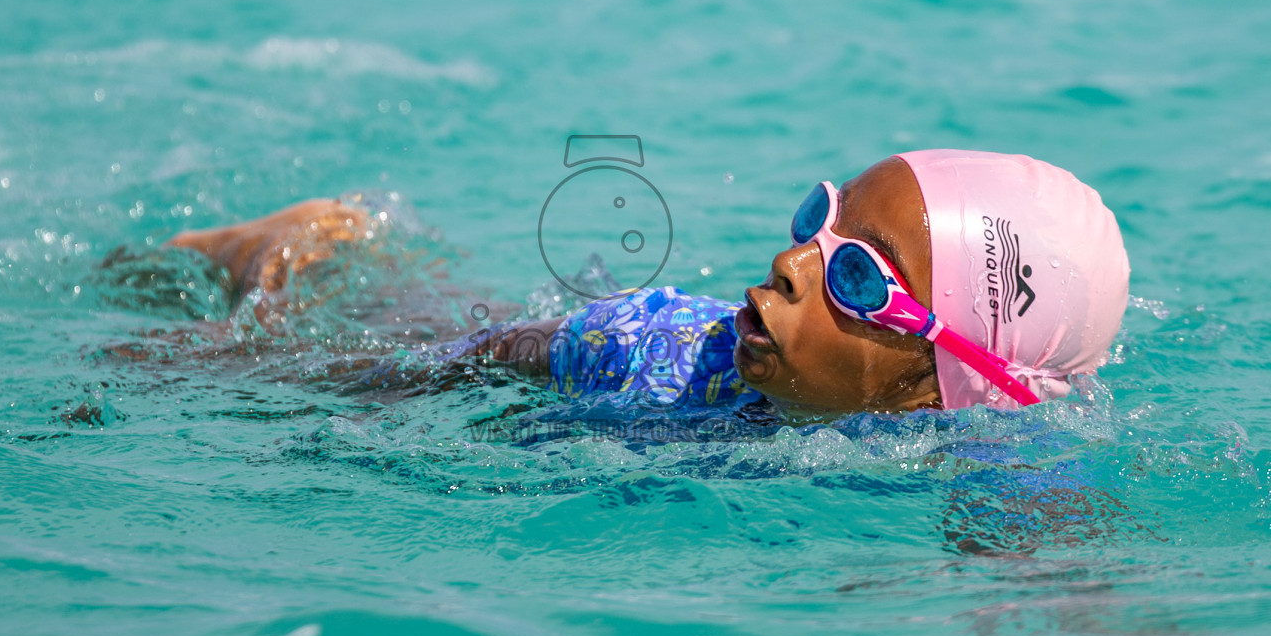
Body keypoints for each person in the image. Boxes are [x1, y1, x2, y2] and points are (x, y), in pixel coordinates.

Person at [155, 149, 1129, 414]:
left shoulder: (981, 437)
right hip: (519, 363)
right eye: (816, 221)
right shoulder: (658, 350)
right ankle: (289, 254)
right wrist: (239, 380)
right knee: (418, 322)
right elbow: (474, 359)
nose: (792, 263)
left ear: (933, 380)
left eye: (860, 277)